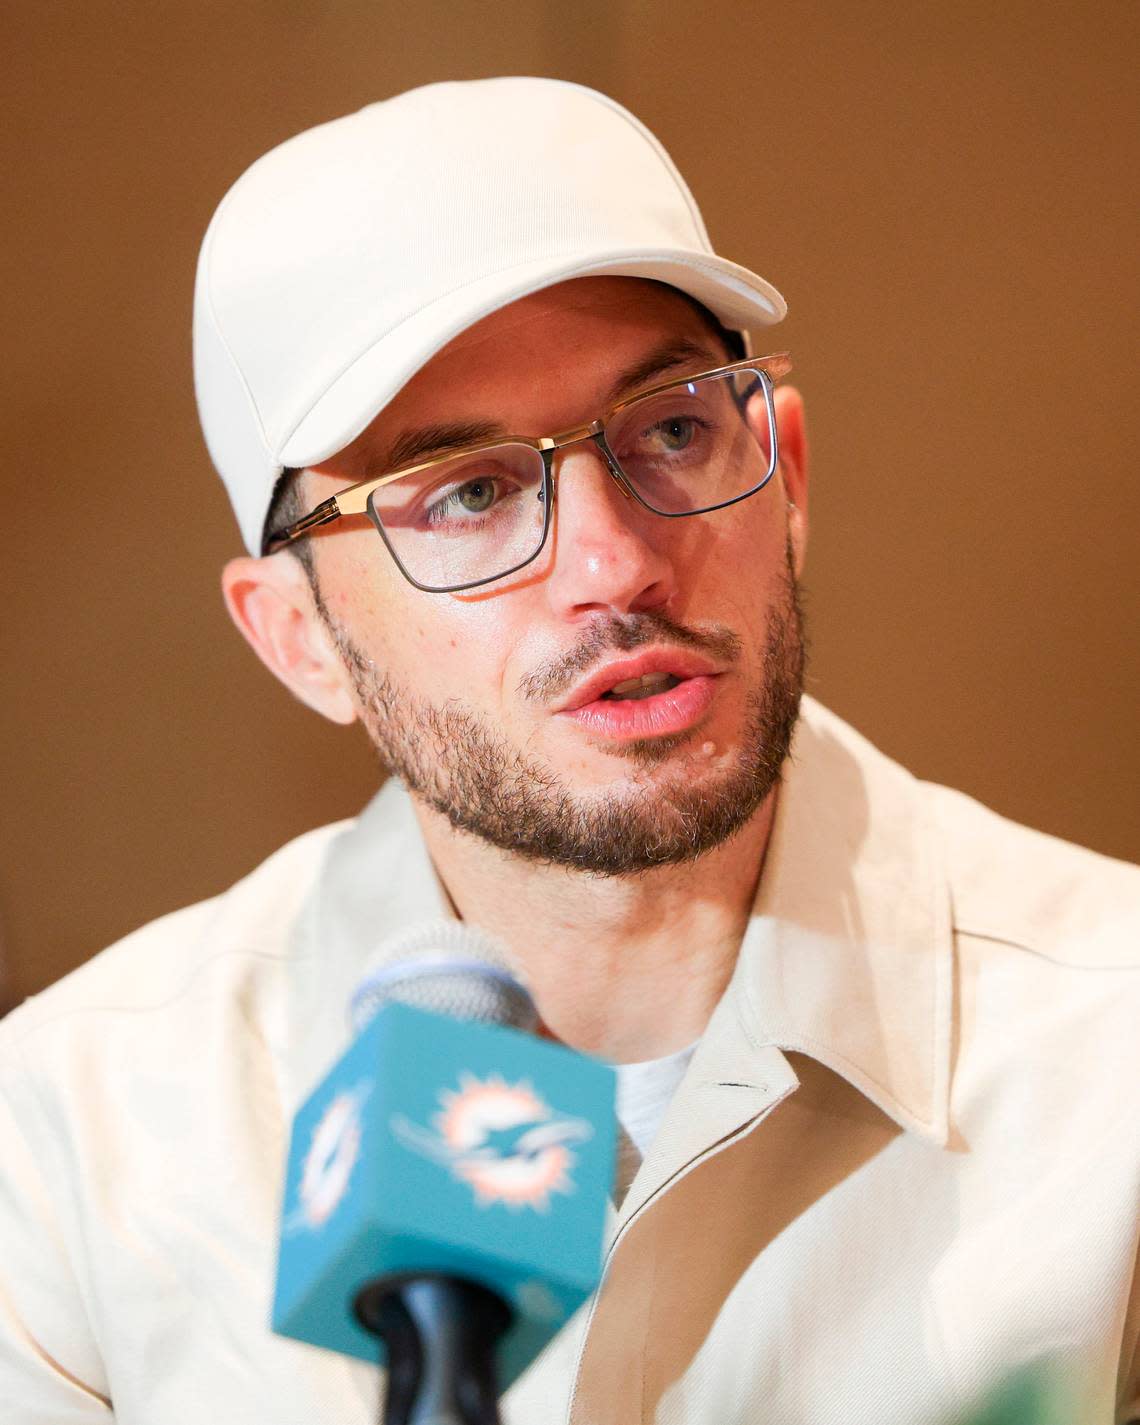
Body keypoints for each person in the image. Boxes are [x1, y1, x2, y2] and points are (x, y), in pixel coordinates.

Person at [0, 77, 1136, 1425]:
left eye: (668, 430)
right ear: (298, 637)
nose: (615, 563)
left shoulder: (1107, 1054)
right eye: (469, 493)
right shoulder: (74, 1142)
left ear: (790, 474)